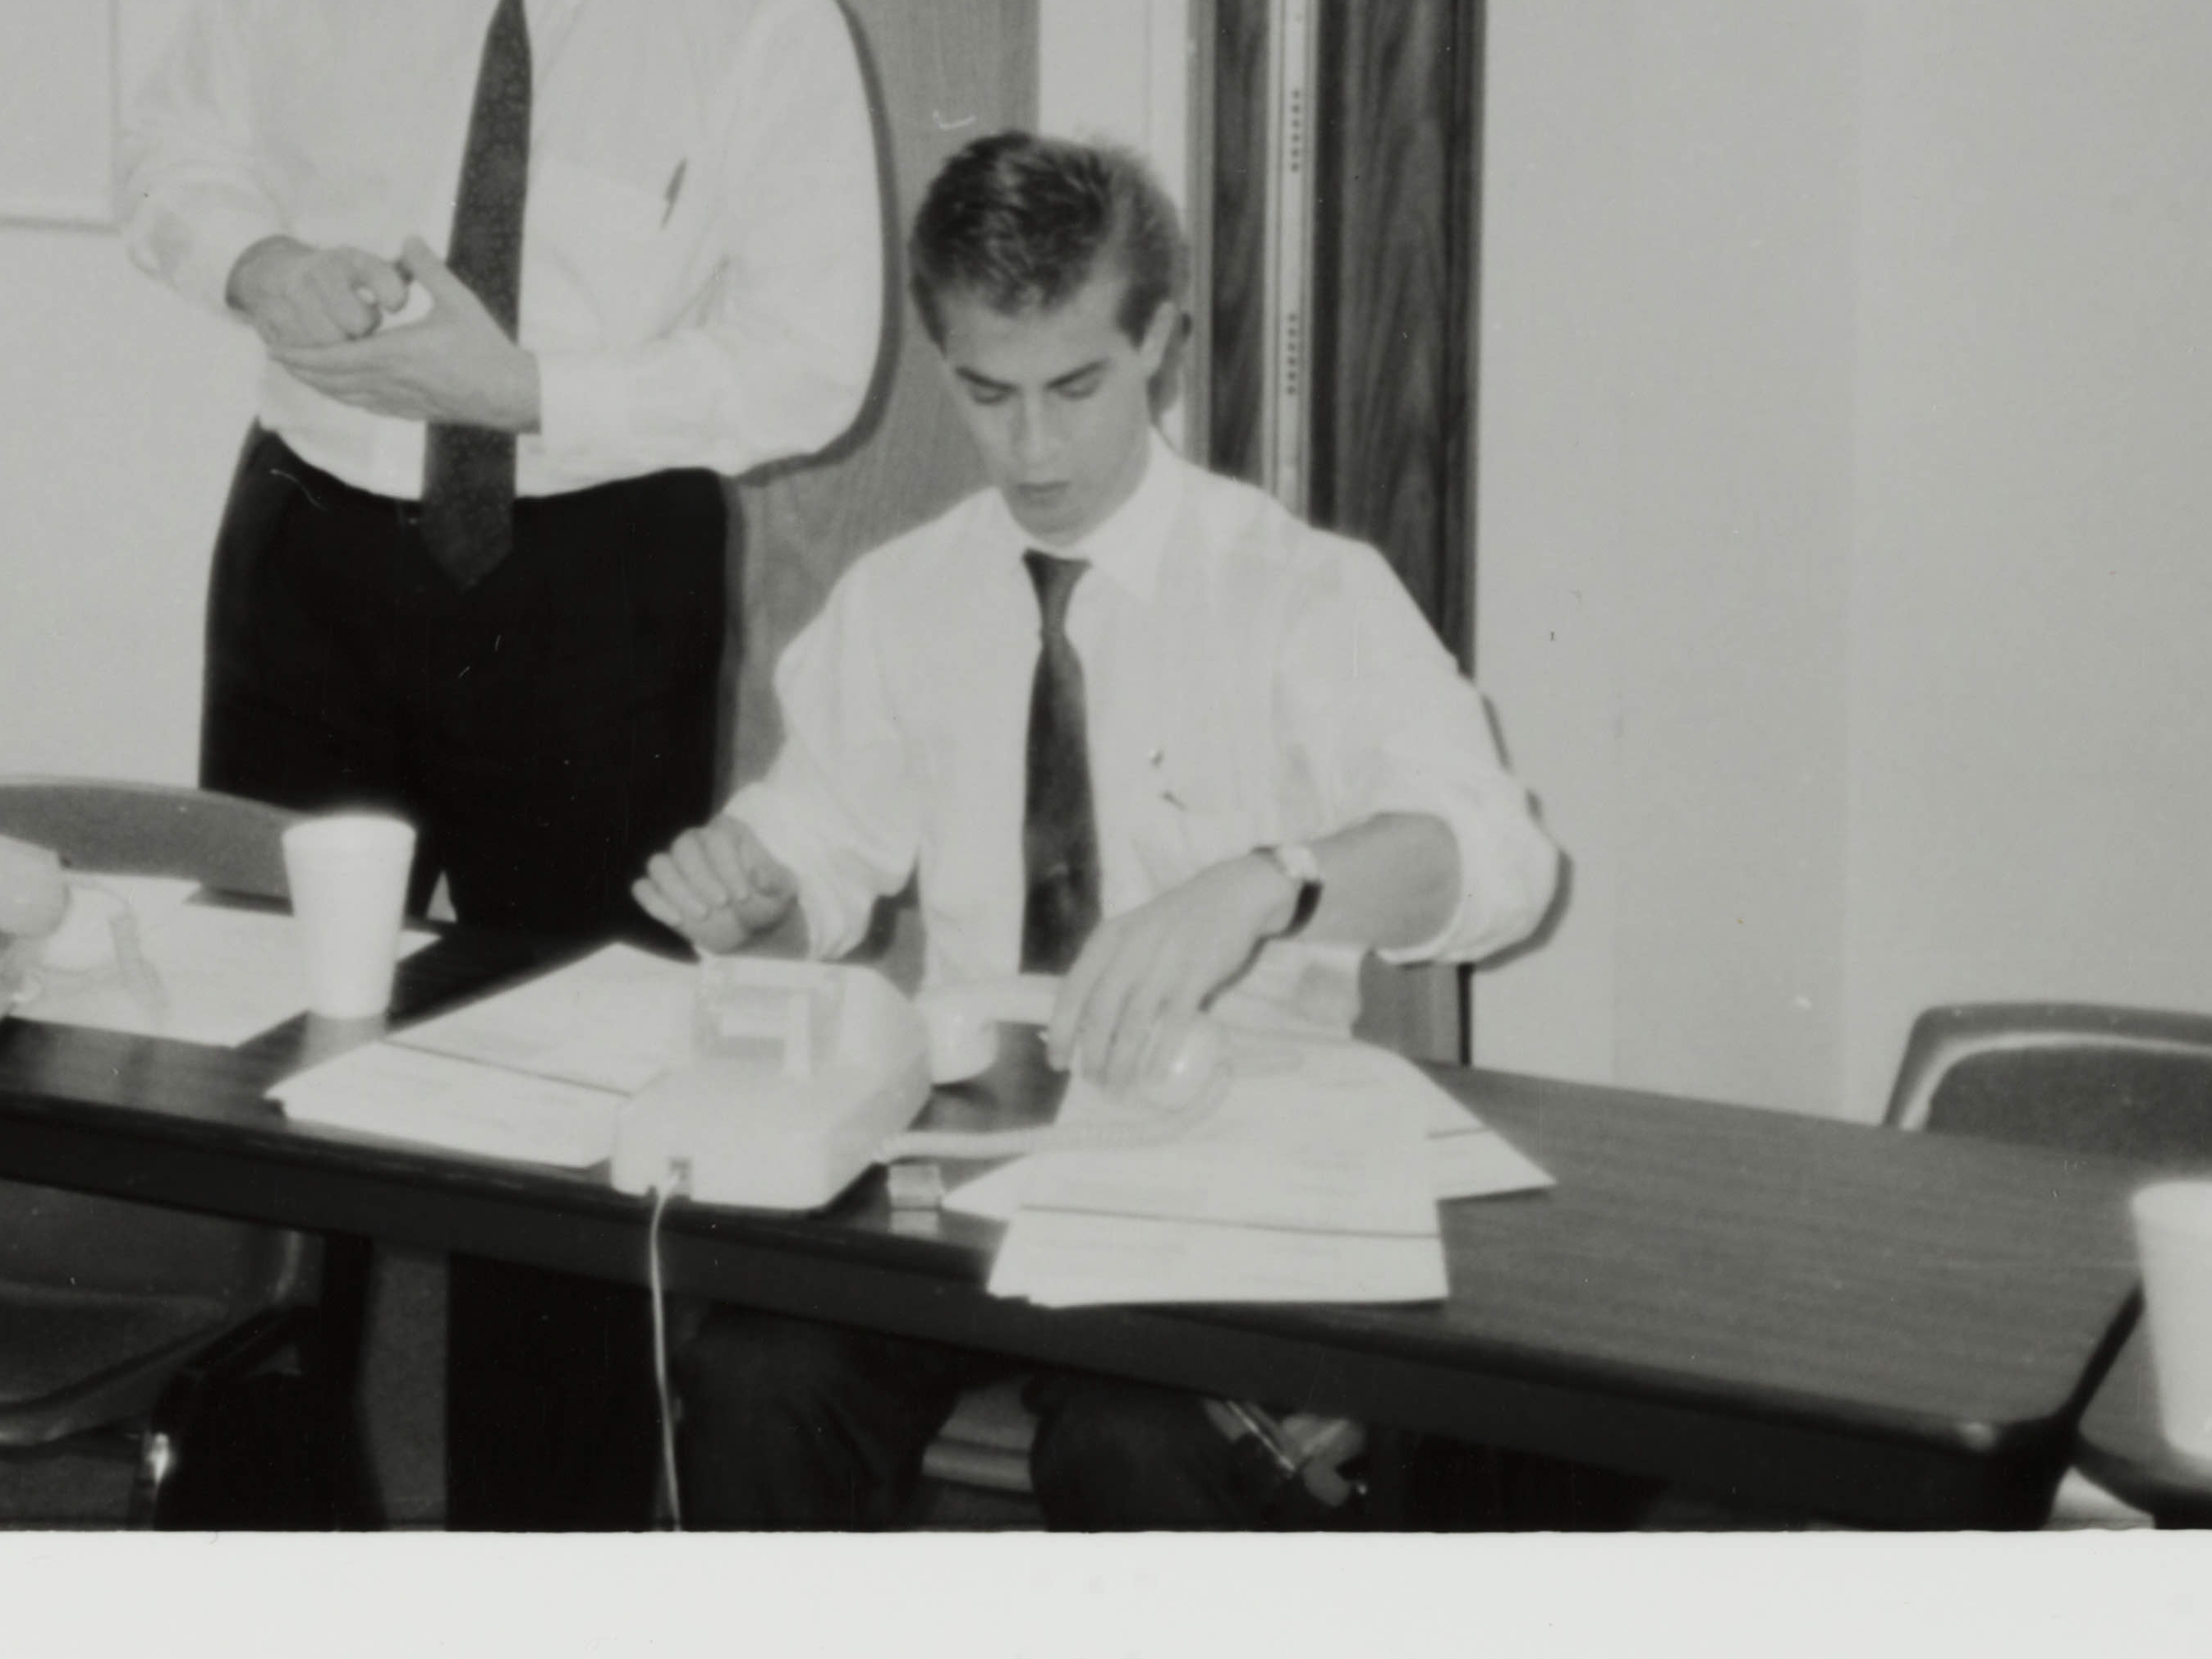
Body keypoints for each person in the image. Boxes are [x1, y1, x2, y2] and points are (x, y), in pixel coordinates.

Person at [120, 0, 883, 1523]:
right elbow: (172, 152)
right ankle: (259, 1548)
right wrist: (254, 260)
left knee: (578, 1089)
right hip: (316, 561)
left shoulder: (755, 9)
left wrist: (531, 392)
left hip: (592, 581)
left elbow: (815, 364)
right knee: (268, 1052)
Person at [635, 131, 1561, 1527]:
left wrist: (1272, 882)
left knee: (1138, 1444)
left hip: (1215, 1175)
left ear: (1160, 342)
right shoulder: (904, 598)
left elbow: (1498, 862)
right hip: (963, 1171)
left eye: (1076, 386)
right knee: (757, 1377)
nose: (1033, 446)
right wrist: (753, 896)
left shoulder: (1298, 592)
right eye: (987, 393)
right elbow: (812, 854)